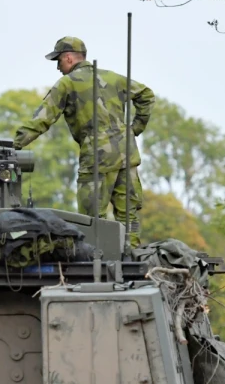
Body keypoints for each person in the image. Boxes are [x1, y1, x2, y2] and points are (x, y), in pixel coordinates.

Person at [13, 37, 155, 239]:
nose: (58, 68)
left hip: (97, 156)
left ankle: (96, 255)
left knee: (92, 219)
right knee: (128, 216)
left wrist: (14, 145)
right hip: (127, 154)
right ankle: (131, 254)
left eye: (58, 61)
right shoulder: (113, 78)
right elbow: (146, 95)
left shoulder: (67, 83)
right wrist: (134, 129)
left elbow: (42, 119)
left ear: (68, 58)